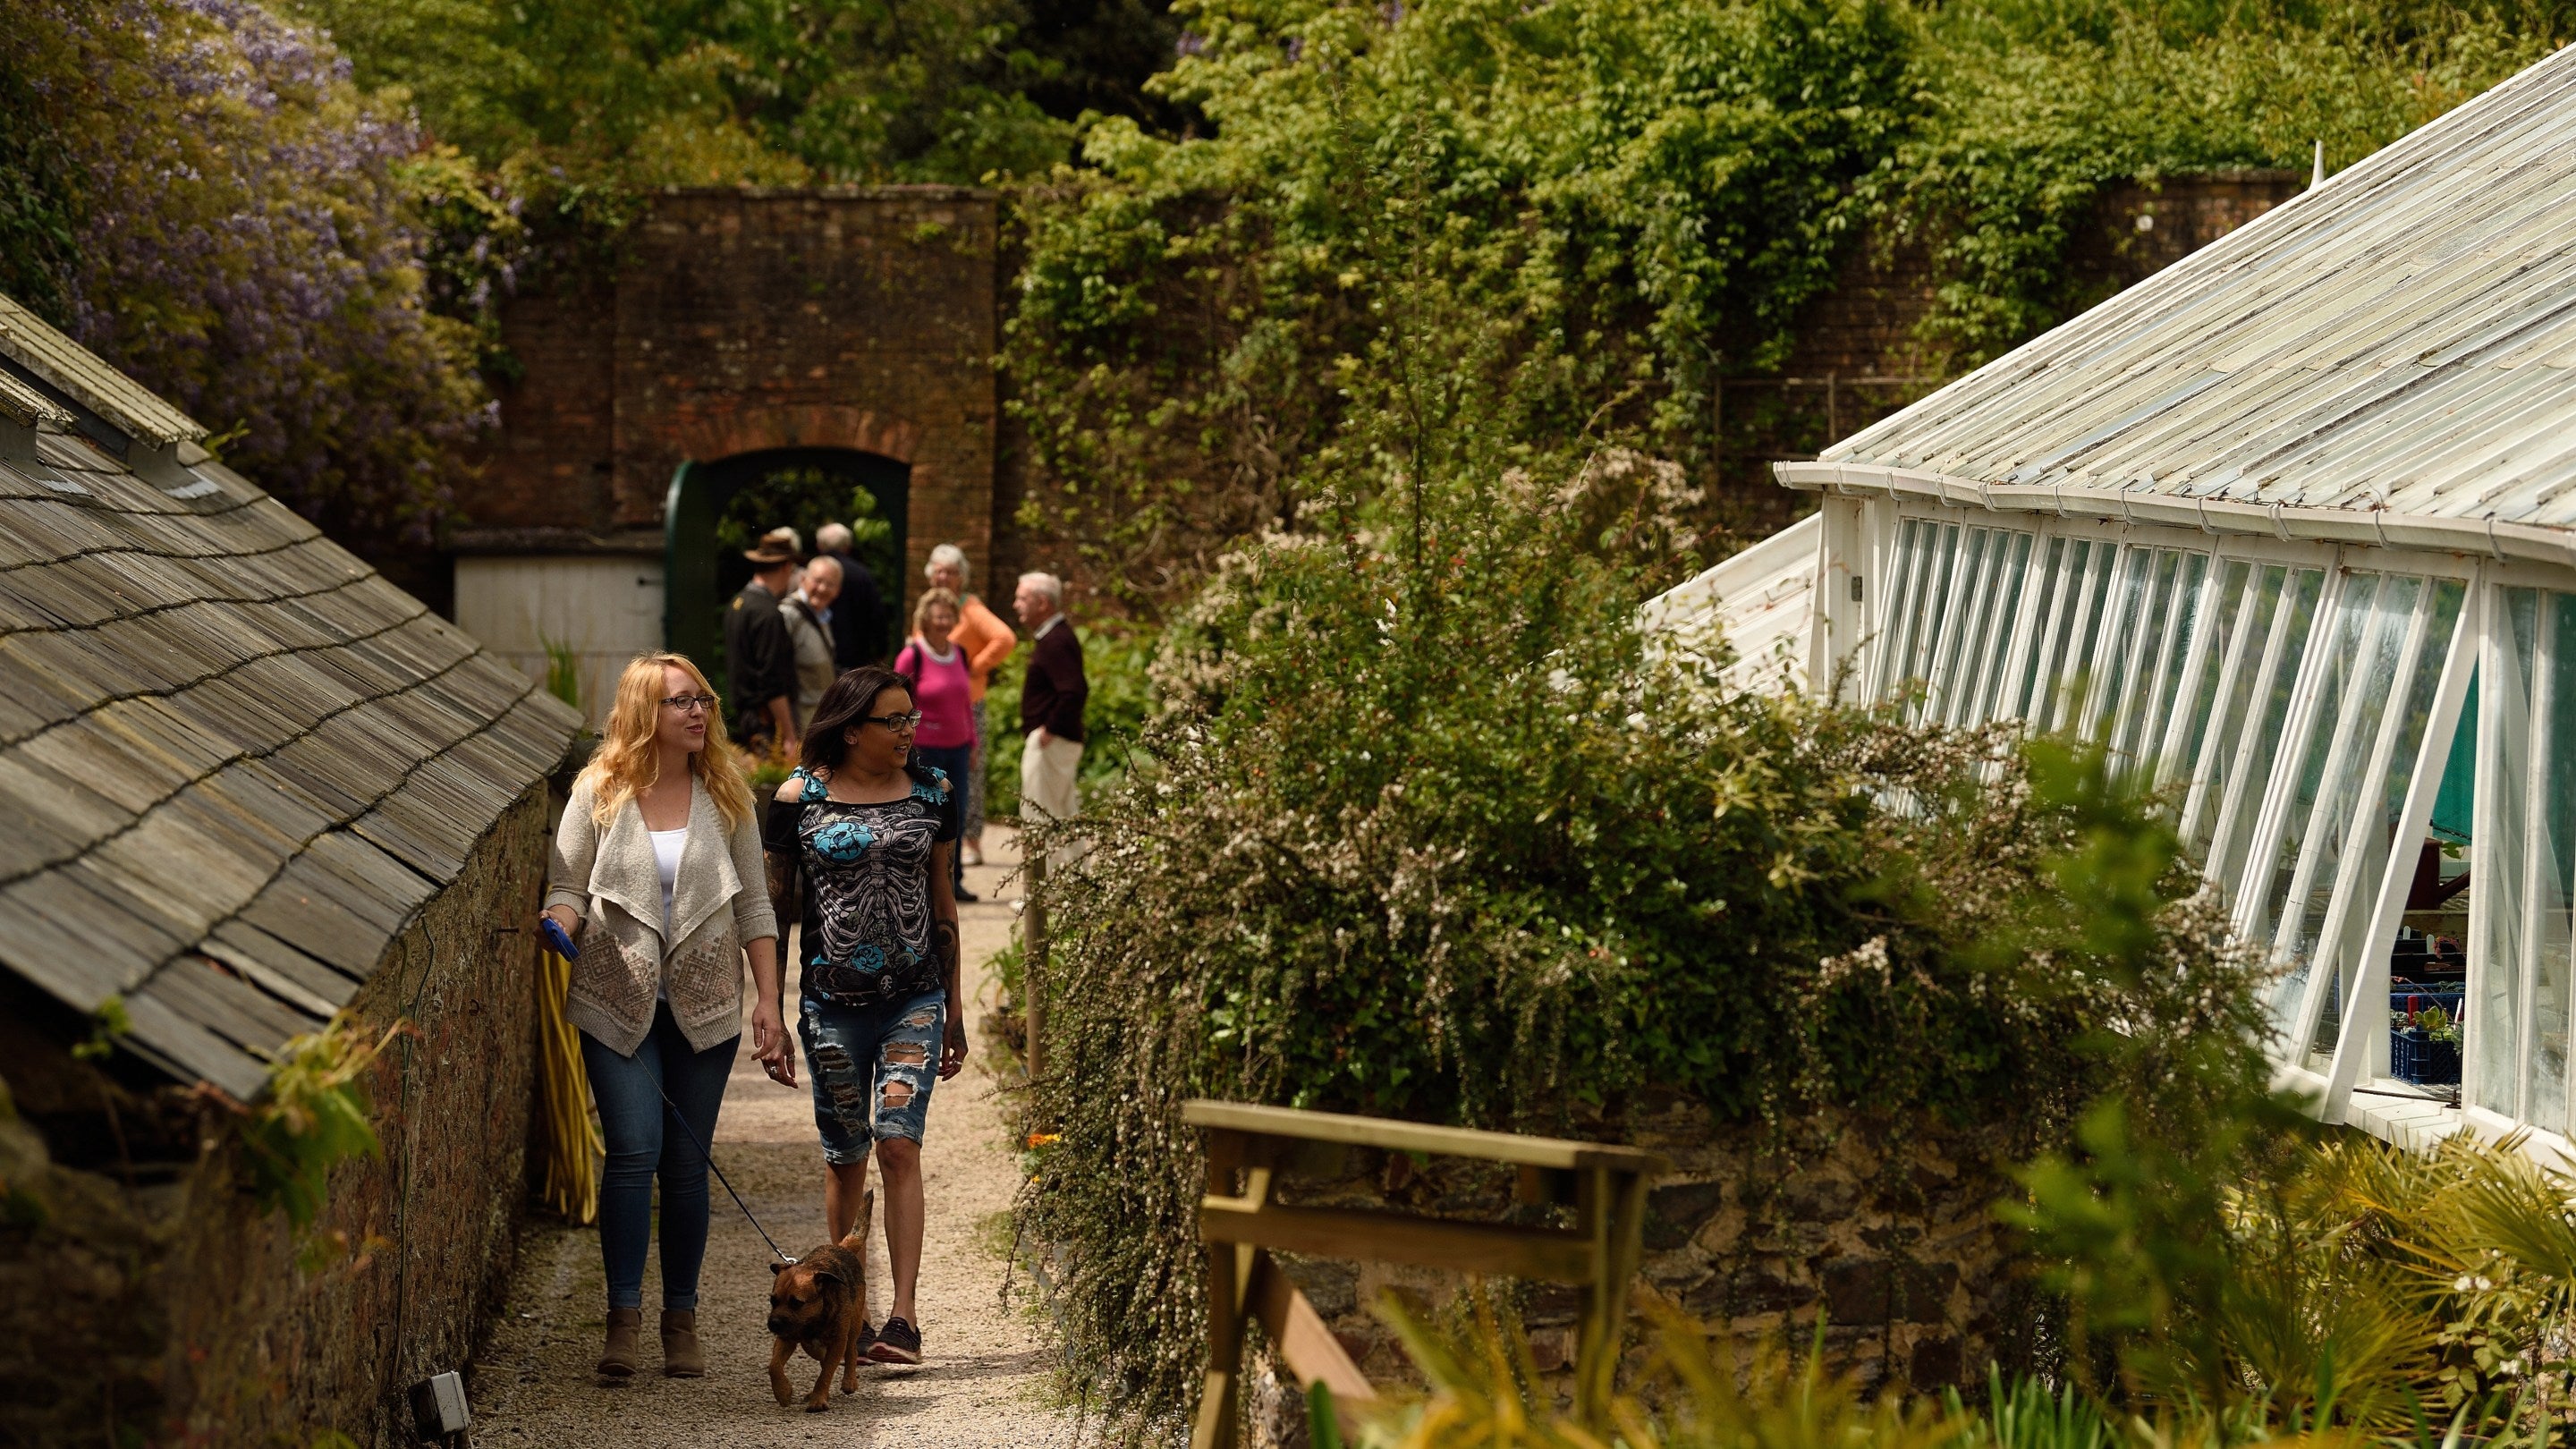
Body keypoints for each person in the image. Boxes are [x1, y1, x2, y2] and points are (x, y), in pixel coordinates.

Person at [542, 653, 787, 1381]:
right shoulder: (599, 791)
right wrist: (557, 922)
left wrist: (770, 999)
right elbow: (568, 886)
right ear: (645, 711)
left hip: (706, 1005)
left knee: (686, 1167)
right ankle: (622, 1321)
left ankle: (680, 1319)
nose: (698, 713)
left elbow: (756, 906)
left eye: (703, 700)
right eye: (681, 702)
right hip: (617, 999)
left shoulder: (729, 794)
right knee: (632, 1153)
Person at [762, 667, 967, 1368]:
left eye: (913, 718)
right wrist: (769, 1006)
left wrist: (957, 1006)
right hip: (831, 1003)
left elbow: (943, 899)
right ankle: (850, 1307)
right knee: (846, 1154)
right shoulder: (798, 798)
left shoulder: (934, 793)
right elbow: (775, 909)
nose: (911, 730)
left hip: (915, 994)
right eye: (895, 720)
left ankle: (903, 1320)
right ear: (853, 729)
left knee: (899, 1144)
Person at [926, 545, 1015, 867]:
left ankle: (973, 842)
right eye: (938, 570)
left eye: (950, 571)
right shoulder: (928, 607)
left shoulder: (971, 609)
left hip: (967, 703)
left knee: (970, 772)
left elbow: (1004, 638)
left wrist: (974, 668)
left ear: (961, 577)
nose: (943, 576)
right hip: (933, 707)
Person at [894, 588, 979, 902]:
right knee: (925, 813)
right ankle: (921, 882)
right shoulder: (911, 655)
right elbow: (896, 701)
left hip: (958, 747)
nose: (944, 621)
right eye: (938, 615)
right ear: (924, 618)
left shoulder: (960, 653)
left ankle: (953, 880)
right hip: (925, 748)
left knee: (956, 812)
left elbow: (965, 702)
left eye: (948, 615)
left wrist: (973, 741)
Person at [1014, 572, 1087, 826]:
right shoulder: (1054, 637)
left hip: (1051, 742)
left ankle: (1051, 869)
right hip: (1055, 739)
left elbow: (1074, 691)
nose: (1016, 605)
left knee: (1041, 818)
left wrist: (1049, 730)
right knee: (1060, 814)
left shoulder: (1056, 640)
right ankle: (1071, 867)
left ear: (1043, 603)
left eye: (1022, 599)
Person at [724, 538, 801, 756]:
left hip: (746, 716)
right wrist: (788, 734)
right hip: (766, 722)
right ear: (787, 567)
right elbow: (772, 679)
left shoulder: (738, 602)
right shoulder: (768, 613)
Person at [781, 555, 843, 731]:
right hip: (798, 719)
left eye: (830, 584)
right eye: (818, 581)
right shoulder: (788, 615)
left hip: (820, 715)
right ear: (803, 580)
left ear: (838, 590)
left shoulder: (823, 615)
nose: (823, 588)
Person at [817, 522, 886, 669]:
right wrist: (881, 651)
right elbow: (877, 615)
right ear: (848, 546)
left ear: (820, 546)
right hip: (855, 659)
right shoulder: (861, 574)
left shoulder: (811, 574)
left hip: (816, 658)